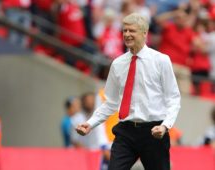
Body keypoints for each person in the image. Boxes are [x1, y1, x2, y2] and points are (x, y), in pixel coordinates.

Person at [76, 13, 181, 170]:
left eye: (132, 31)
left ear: (144, 33)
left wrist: (165, 126)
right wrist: (91, 123)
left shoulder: (161, 60)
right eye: (124, 31)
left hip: (154, 131)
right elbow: (110, 102)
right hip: (126, 131)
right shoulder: (117, 64)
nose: (127, 34)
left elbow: (173, 98)